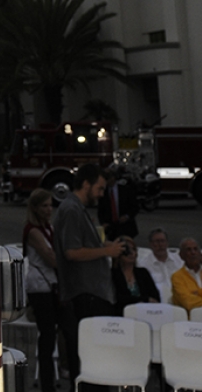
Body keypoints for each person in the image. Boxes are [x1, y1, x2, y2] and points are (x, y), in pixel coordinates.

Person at [53, 163, 126, 385]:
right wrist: (106, 251)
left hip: (91, 294)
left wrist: (103, 246)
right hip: (85, 295)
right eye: (99, 188)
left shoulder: (75, 209)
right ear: (86, 184)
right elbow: (72, 252)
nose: (102, 194)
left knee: (93, 358)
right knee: (89, 359)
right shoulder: (71, 210)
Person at [23, 188, 59, 392]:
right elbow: (51, 258)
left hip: (49, 284)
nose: (49, 209)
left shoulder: (49, 228)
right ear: (35, 208)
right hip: (40, 286)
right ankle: (47, 384)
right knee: (47, 335)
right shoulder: (34, 232)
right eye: (44, 206)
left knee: (53, 333)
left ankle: (53, 377)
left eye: (50, 205)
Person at [111, 236, 159, 312]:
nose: (131, 253)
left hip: (146, 312)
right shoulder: (113, 274)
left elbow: (155, 297)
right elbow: (118, 298)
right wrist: (144, 299)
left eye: (133, 249)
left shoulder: (143, 272)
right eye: (127, 250)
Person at [136, 227, 183, 303]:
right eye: (157, 241)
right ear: (151, 244)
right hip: (158, 303)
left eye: (162, 241)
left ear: (167, 243)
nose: (160, 244)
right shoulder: (143, 265)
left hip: (182, 300)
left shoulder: (179, 260)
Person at [97, 165, 139, 240]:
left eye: (108, 178)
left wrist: (127, 216)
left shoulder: (125, 190)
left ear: (113, 178)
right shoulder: (103, 192)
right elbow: (100, 210)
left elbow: (135, 206)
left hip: (126, 226)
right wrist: (103, 223)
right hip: (111, 228)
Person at [171, 236, 202, 313]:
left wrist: (197, 294)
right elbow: (188, 302)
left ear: (200, 254)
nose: (193, 253)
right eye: (189, 250)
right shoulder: (177, 277)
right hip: (190, 318)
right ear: (181, 255)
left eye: (195, 249)